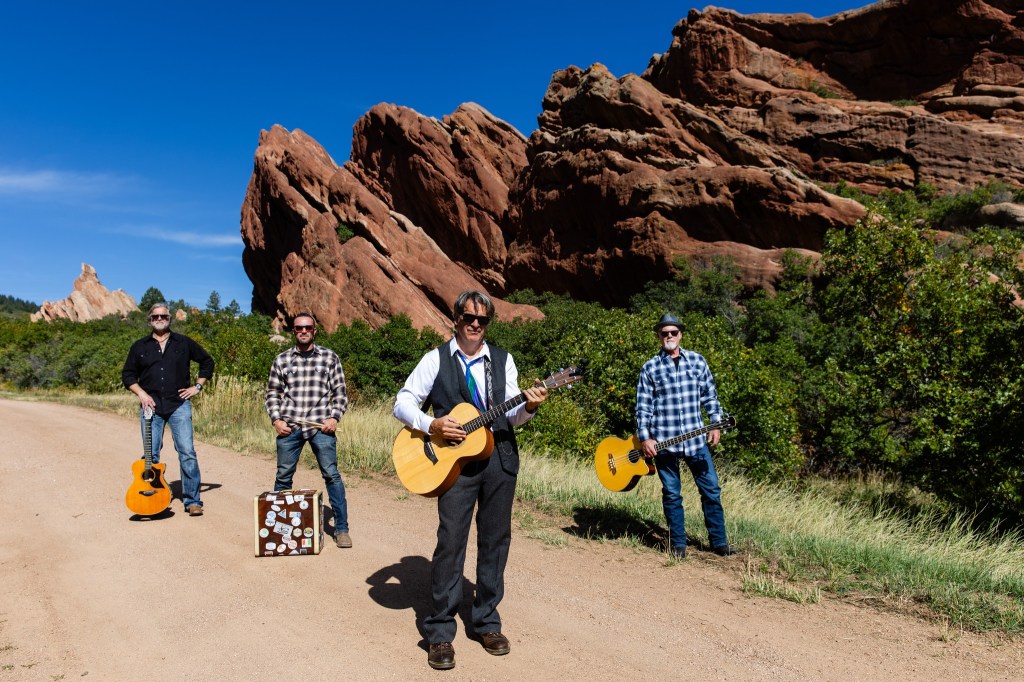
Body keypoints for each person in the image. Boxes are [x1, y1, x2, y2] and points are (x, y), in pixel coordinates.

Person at [393, 290, 548, 671]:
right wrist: (432, 424)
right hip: (454, 464)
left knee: (495, 541)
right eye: (469, 317)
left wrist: (529, 405)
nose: (475, 324)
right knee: (451, 542)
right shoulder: (435, 359)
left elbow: (512, 417)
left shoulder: (503, 360)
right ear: (456, 319)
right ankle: (440, 632)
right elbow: (402, 402)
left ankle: (486, 622)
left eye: (482, 319)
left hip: (499, 459)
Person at [635, 313, 735, 559]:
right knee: (672, 494)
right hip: (664, 443)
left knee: (711, 490)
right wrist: (645, 438)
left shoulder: (698, 361)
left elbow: (710, 396)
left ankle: (719, 543)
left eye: (674, 332)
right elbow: (643, 407)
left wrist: (715, 424)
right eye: (664, 333)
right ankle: (678, 545)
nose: (669, 336)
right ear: (658, 336)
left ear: (681, 334)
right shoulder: (650, 367)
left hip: (695, 441)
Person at [265, 312, 352, 548]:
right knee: (283, 477)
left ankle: (342, 529)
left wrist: (334, 417)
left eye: (307, 328)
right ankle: (279, 530)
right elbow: (272, 393)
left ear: (314, 330)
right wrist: (276, 420)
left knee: (331, 475)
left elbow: (340, 393)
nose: (303, 331)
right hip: (289, 426)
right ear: (293, 331)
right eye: (299, 328)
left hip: (321, 426)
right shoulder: (281, 360)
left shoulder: (329, 357)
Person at [122, 302, 214, 516]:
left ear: (170, 319)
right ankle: (152, 498)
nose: (160, 319)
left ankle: (192, 501)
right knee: (151, 455)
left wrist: (197, 387)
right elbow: (128, 375)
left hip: (178, 405)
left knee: (187, 452)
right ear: (149, 320)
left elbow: (207, 362)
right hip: (151, 407)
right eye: (155, 317)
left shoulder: (183, 342)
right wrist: (141, 394)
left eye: (163, 316)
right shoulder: (139, 346)